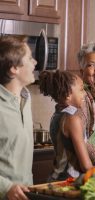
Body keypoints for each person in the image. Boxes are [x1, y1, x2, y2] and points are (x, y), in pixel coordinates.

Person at [0, 36, 37, 199]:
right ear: (14, 68)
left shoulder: (26, 98)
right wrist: (5, 187)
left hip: (25, 193)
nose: (35, 62)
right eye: (29, 58)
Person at [39, 70, 93, 180]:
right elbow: (86, 166)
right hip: (69, 181)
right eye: (81, 89)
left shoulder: (56, 115)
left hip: (56, 179)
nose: (85, 93)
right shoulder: (72, 119)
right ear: (68, 94)